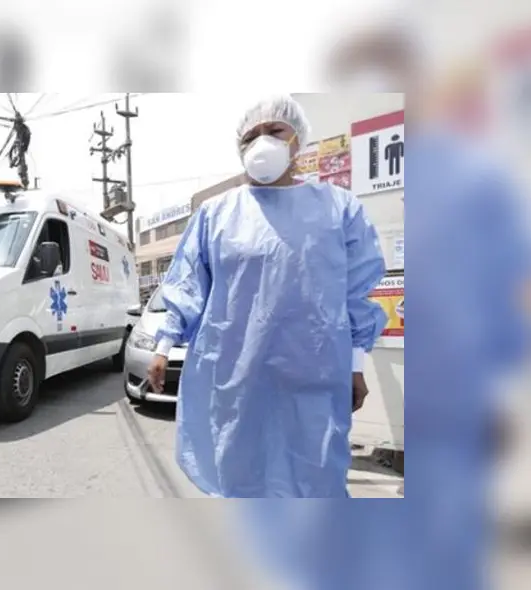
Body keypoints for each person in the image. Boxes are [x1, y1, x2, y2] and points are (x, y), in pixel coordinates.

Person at [147, 95, 387, 498]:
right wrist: (164, 343)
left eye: (274, 131)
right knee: (238, 471)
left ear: (298, 140)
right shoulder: (215, 214)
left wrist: (356, 364)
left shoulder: (337, 208)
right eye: (250, 137)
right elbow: (188, 281)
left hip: (313, 372)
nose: (262, 143)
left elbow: (355, 291)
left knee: (314, 473)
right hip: (237, 375)